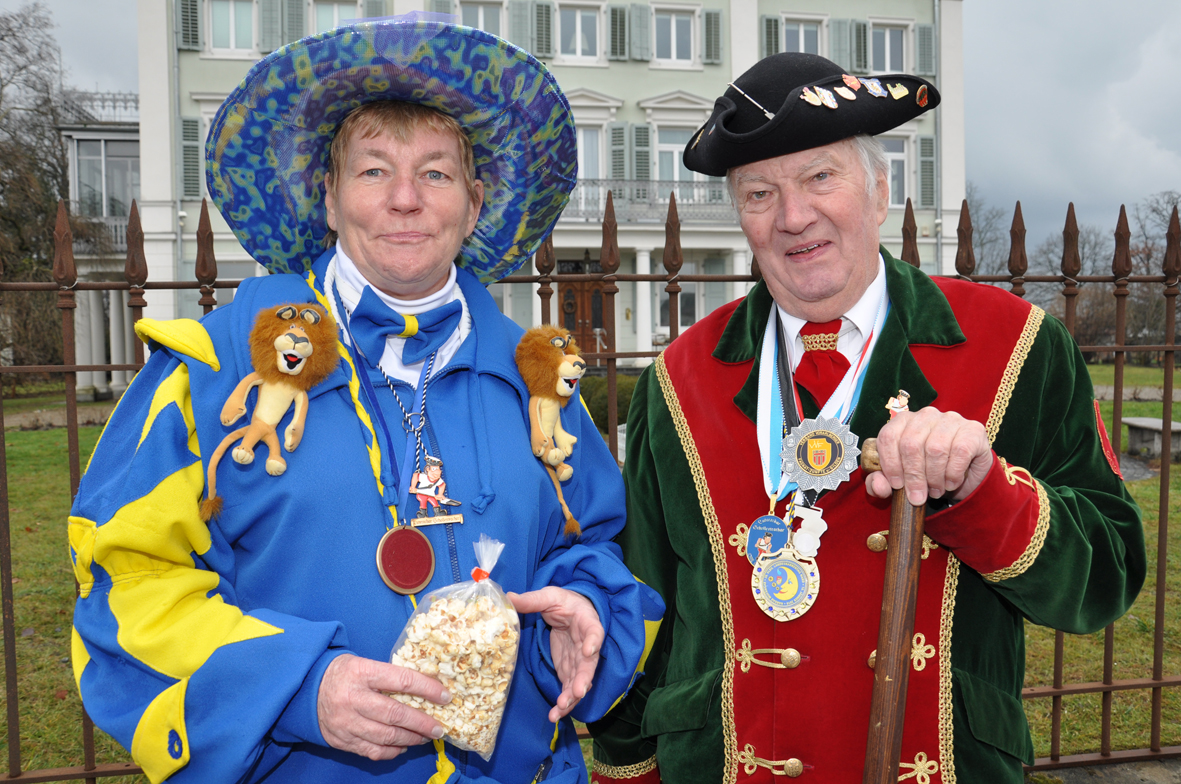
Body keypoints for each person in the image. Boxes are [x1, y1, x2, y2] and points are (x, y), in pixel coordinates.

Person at [69, 18, 660, 784]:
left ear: (474, 204)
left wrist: (582, 610)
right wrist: (297, 687)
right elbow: (127, 586)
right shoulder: (211, 373)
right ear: (329, 197)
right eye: (374, 170)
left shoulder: (539, 382)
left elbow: (593, 544)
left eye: (436, 175)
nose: (405, 200)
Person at [588, 53, 1144, 784]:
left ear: (880, 191)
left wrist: (984, 493)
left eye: (821, 176)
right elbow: (643, 609)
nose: (793, 216)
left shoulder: (1017, 345)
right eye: (759, 192)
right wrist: (626, 771)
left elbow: (1105, 577)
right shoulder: (678, 378)